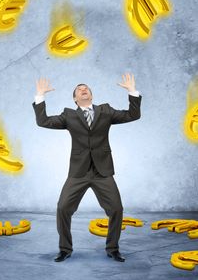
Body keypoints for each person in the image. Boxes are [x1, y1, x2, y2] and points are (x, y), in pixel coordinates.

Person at [32, 73, 142, 262]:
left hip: (102, 171)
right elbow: (43, 122)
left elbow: (133, 115)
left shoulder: (105, 111)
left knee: (116, 208)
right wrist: (40, 96)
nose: (83, 90)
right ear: (75, 98)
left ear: (91, 95)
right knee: (63, 208)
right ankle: (65, 248)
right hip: (78, 172)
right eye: (79, 89)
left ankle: (113, 248)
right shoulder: (69, 115)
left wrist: (132, 91)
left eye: (86, 88)